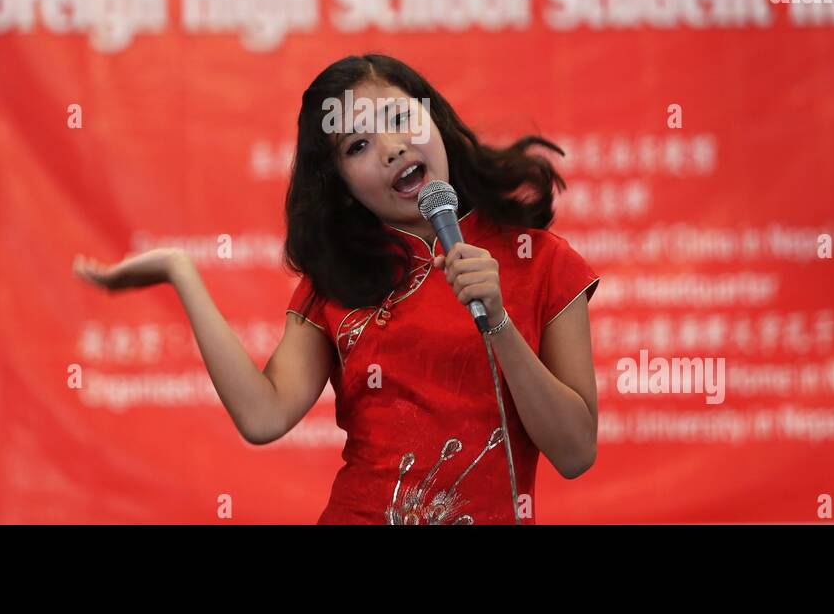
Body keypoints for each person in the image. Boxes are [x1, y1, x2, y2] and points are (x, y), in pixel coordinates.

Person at [74, 53, 600, 524]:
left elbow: (575, 452)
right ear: (343, 189)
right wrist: (180, 273)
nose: (392, 149)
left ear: (435, 120)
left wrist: (499, 321)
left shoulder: (542, 261)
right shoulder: (338, 281)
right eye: (359, 145)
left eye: (400, 119)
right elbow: (263, 416)